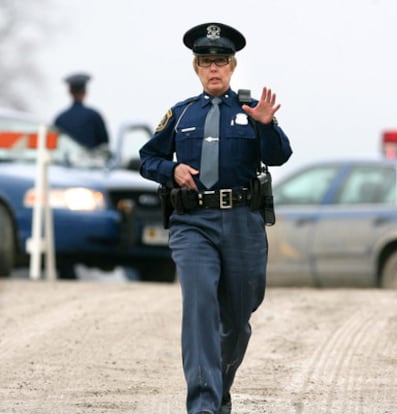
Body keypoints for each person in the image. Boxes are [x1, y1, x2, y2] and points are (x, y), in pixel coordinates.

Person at [139, 22, 292, 414]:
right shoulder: (180, 113)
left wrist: (266, 125)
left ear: (232, 65)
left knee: (238, 318)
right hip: (193, 224)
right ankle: (203, 403)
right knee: (200, 304)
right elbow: (148, 158)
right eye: (206, 61)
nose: (213, 69)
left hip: (242, 222)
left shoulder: (251, 109)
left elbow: (279, 155)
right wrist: (170, 170)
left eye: (220, 61)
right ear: (196, 67)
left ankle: (220, 386)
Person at [54, 73, 110, 149]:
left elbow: (56, 145)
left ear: (69, 91)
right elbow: (104, 145)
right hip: (91, 160)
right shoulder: (94, 116)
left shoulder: (60, 118)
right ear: (85, 92)